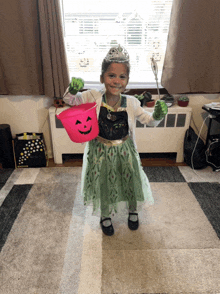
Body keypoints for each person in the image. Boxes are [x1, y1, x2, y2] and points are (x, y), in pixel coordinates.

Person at [63, 45, 167, 236]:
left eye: (122, 77)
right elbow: (70, 100)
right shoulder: (92, 96)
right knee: (103, 183)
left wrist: (157, 116)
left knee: (129, 180)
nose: (116, 81)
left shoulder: (132, 102)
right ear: (102, 77)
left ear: (127, 81)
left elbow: (149, 121)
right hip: (99, 150)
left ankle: (133, 211)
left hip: (125, 150)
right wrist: (72, 89)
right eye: (111, 75)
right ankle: (105, 216)